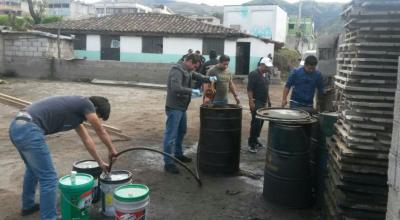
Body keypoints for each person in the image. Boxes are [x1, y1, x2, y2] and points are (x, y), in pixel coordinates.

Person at [8, 96, 118, 220]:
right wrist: (112, 150)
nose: (97, 120)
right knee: (49, 178)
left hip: (17, 127)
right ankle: (49, 217)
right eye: (99, 117)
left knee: (33, 170)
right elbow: (101, 131)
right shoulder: (86, 103)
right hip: (29, 129)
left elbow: (87, 140)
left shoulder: (76, 114)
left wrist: (100, 162)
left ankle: (28, 206)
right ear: (95, 108)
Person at [163, 54, 217, 174]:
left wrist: (210, 79)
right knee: (170, 135)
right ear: (188, 61)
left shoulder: (189, 70)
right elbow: (176, 88)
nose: (195, 68)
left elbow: (199, 76)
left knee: (181, 131)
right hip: (174, 107)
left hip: (182, 107)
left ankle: (178, 154)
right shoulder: (176, 70)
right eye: (194, 65)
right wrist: (192, 91)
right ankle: (168, 163)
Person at [247, 58, 272, 153]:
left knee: (261, 122)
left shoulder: (266, 75)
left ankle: (256, 140)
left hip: (263, 102)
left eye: (268, 67)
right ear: (261, 65)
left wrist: (269, 101)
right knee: (256, 123)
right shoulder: (254, 74)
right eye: (266, 66)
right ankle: (251, 144)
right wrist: (251, 101)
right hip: (256, 101)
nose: (267, 68)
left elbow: (267, 89)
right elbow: (250, 89)